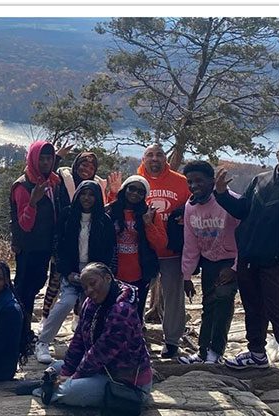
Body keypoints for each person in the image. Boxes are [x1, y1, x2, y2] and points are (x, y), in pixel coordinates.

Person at [35, 263, 153, 407]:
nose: (90, 290)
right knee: (58, 366)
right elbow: (78, 340)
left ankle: (47, 390)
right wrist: (66, 371)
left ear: (108, 278)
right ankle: (50, 387)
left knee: (70, 390)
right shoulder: (90, 303)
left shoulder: (122, 310)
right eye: (85, 287)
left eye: (93, 283)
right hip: (99, 370)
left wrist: (72, 377)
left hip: (124, 382)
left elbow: (100, 353)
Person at [217, 141, 279, 369]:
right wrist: (222, 194)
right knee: (253, 307)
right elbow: (242, 209)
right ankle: (257, 353)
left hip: (277, 262)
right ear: (278, 153)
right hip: (248, 256)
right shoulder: (260, 179)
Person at [38, 180, 116, 364]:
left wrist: (103, 275)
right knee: (66, 302)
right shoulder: (67, 216)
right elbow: (58, 247)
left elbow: (110, 250)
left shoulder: (104, 221)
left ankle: (89, 348)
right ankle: (42, 342)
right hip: (71, 270)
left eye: (91, 195)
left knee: (90, 307)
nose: (87, 198)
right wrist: (67, 272)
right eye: (83, 194)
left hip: (95, 272)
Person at [174, 161, 240, 365]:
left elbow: (246, 236)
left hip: (230, 260)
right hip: (209, 261)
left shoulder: (230, 201)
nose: (194, 186)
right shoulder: (190, 207)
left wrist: (234, 268)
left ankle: (216, 351)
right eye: (190, 182)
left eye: (199, 181)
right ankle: (203, 351)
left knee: (223, 301)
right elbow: (191, 243)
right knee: (208, 305)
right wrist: (187, 276)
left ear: (212, 181)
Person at [136, 143, 190, 357]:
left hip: (172, 251)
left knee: (173, 296)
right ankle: (135, 332)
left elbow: (194, 208)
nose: (155, 159)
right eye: (150, 155)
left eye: (159, 155)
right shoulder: (136, 182)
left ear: (165, 159)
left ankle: (172, 340)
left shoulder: (181, 182)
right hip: (144, 251)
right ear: (144, 159)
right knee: (136, 293)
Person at [8, 140, 67, 335]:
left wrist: (57, 157)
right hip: (29, 248)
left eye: (49, 159)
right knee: (24, 290)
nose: (45, 162)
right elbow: (24, 225)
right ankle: (20, 331)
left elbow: (46, 172)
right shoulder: (23, 186)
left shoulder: (48, 180)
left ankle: (22, 330)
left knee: (35, 286)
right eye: (41, 158)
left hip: (44, 246)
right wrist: (33, 203)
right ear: (33, 159)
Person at [106, 176, 167, 324]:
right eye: (131, 188)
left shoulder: (150, 214)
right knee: (112, 311)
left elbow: (161, 244)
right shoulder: (110, 211)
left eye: (140, 191)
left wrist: (148, 224)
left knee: (136, 313)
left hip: (140, 273)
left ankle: (135, 342)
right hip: (113, 271)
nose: (135, 193)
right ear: (124, 189)